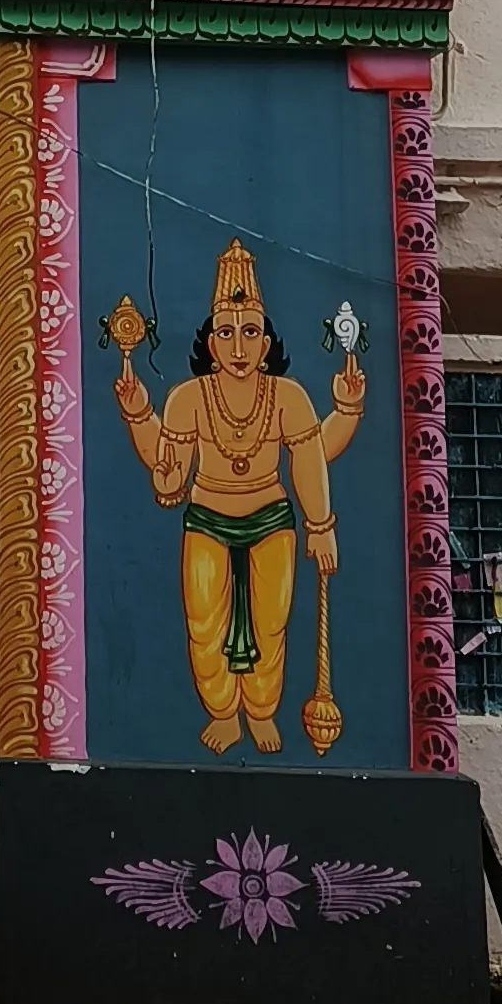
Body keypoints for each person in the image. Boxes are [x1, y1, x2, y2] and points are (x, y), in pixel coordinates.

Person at [111, 239, 364, 754]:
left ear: (266, 343)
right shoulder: (188, 399)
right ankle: (224, 713)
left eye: (250, 332)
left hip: (271, 520)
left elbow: (310, 456)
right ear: (210, 343)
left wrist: (321, 526)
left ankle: (263, 711)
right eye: (227, 333)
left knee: (271, 626)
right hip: (207, 519)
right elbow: (169, 477)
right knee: (205, 625)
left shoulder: (287, 397)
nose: (240, 347)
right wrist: (140, 415)